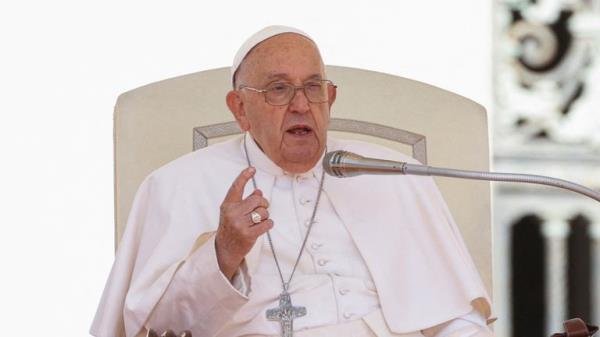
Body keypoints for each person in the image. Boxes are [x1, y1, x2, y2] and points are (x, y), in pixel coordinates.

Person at [91, 26, 494, 337]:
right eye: (279, 89)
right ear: (240, 109)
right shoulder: (176, 184)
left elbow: (454, 317)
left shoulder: (391, 172)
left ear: (330, 98)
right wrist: (223, 253)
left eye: (313, 88)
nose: (301, 105)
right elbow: (159, 327)